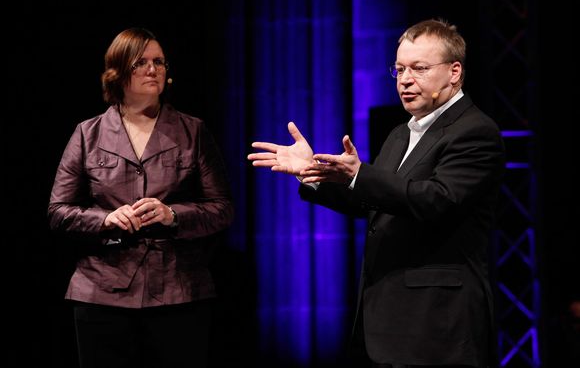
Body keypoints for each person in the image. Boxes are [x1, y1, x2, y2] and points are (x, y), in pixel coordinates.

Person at [248, 19, 505, 367]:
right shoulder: (400, 133)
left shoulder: (475, 131)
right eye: (399, 69)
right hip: (388, 320)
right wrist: (313, 175)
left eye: (419, 68)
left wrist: (360, 175)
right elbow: (378, 202)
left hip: (438, 322)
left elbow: (436, 200)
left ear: (454, 72)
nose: (405, 80)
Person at [48, 27, 234, 368]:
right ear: (118, 72)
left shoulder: (192, 131)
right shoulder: (87, 134)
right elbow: (59, 211)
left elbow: (222, 209)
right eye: (141, 62)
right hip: (101, 293)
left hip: (179, 292)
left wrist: (173, 215)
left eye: (159, 62)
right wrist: (104, 219)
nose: (154, 69)